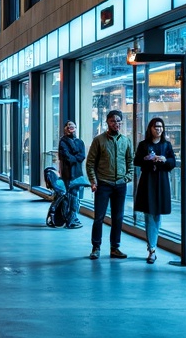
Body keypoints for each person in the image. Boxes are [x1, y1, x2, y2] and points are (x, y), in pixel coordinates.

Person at [85, 110, 134, 260]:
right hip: (103, 184)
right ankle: (96, 247)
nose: (116, 124)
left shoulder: (126, 141)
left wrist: (128, 177)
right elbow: (90, 163)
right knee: (99, 217)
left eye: (119, 121)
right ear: (107, 122)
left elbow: (130, 161)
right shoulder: (99, 140)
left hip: (120, 185)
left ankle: (115, 248)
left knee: (118, 217)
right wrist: (94, 181)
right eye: (113, 121)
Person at [133, 118, 176, 264]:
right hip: (148, 182)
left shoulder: (167, 145)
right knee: (149, 213)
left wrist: (164, 159)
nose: (158, 129)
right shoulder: (143, 145)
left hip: (162, 182)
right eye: (155, 126)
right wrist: (147, 159)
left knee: (157, 214)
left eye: (161, 126)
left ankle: (152, 246)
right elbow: (137, 161)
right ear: (150, 128)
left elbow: (173, 163)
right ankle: (152, 249)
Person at [57, 120, 86, 230]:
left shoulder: (80, 142)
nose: (71, 127)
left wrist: (74, 158)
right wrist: (75, 158)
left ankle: (71, 217)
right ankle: (70, 219)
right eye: (68, 126)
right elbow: (66, 156)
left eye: (73, 125)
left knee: (75, 195)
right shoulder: (63, 141)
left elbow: (82, 156)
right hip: (67, 173)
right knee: (71, 196)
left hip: (77, 173)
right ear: (65, 129)